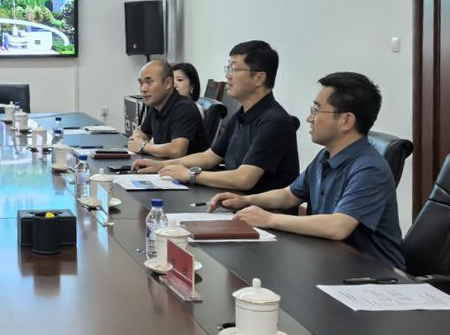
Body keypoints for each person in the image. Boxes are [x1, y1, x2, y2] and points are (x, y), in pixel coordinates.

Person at [208, 72, 404, 269]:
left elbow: (338, 227)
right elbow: (289, 195)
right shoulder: (326, 156)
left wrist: (269, 218)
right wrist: (246, 200)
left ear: (346, 121)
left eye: (316, 110)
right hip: (331, 258)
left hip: (374, 272)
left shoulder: (369, 168)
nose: (309, 118)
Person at [133, 40, 299, 193]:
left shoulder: (275, 121)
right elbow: (209, 157)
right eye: (228, 69)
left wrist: (190, 175)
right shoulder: (242, 115)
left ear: (258, 78)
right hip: (233, 200)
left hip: (261, 210)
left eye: (234, 69)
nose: (228, 75)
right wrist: (161, 165)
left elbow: (244, 179)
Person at [127, 60, 210, 158]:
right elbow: (141, 132)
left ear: (168, 83)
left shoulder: (184, 107)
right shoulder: (156, 105)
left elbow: (177, 150)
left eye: (149, 82)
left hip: (189, 167)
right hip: (164, 164)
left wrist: (143, 146)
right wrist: (138, 139)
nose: (143, 89)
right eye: (141, 83)